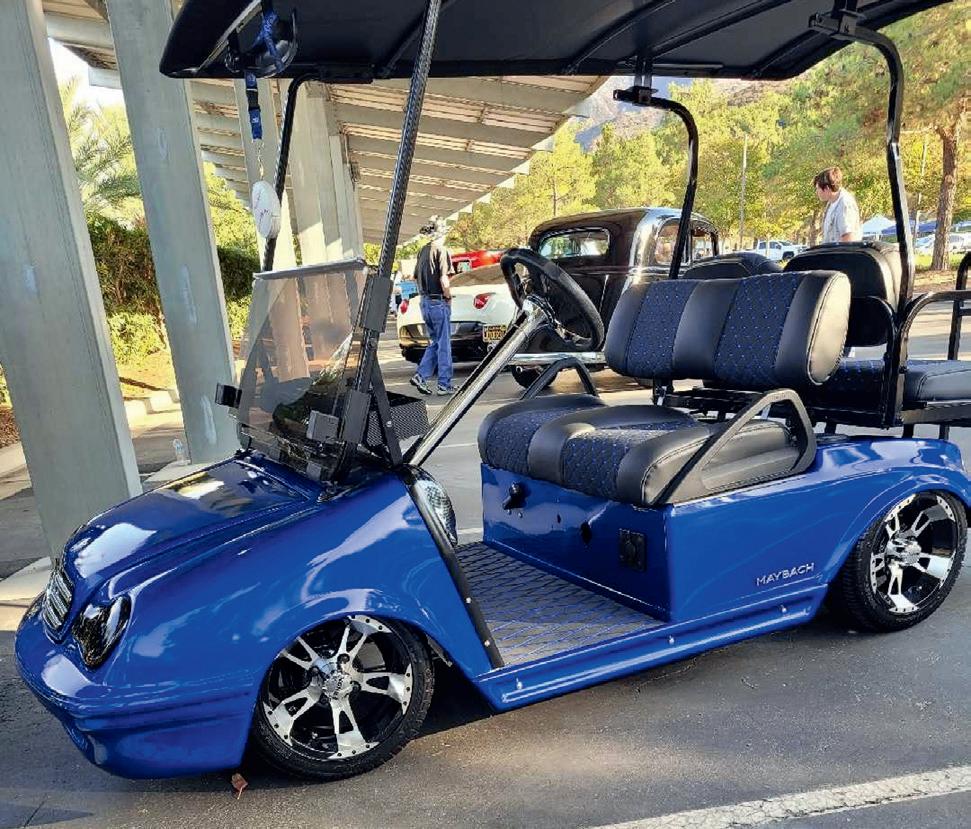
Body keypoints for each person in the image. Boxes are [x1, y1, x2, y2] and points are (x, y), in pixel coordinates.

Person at [410, 217, 457, 396]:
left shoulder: (423, 251)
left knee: (435, 342)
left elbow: (415, 278)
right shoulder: (441, 251)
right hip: (438, 302)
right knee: (444, 344)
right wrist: (448, 297)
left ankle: (421, 375)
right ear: (442, 234)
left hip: (425, 302)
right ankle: (444, 384)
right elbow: (444, 278)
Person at [814, 166, 862, 244]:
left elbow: (848, 238)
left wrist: (840, 252)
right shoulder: (831, 204)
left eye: (818, 188)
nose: (816, 192)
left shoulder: (845, 204)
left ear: (827, 188)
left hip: (842, 251)